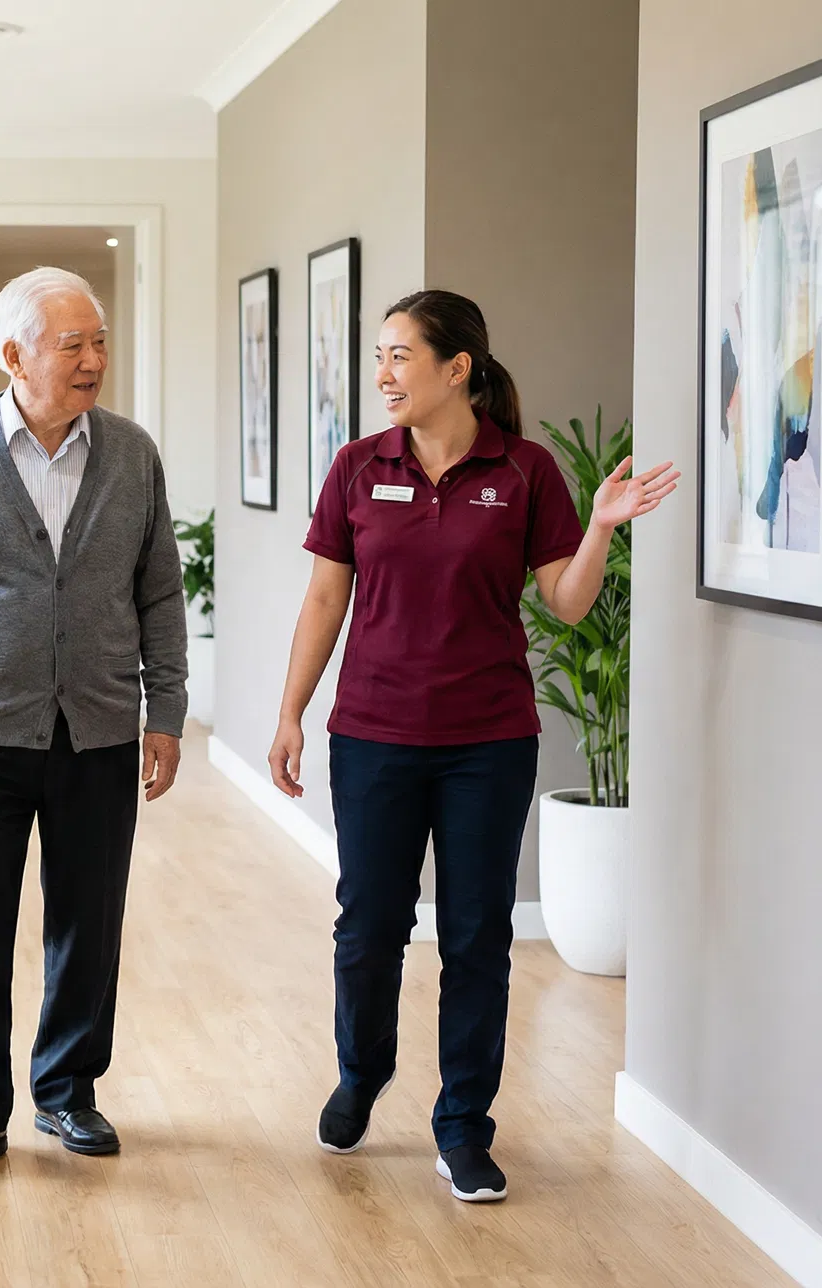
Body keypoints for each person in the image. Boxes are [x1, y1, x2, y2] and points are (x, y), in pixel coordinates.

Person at [267, 290, 678, 1203]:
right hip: (372, 733)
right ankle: (361, 1076)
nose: (383, 374)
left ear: (458, 368)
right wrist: (292, 712)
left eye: (399, 356)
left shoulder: (524, 470)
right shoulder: (355, 467)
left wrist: (602, 526)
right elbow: (325, 601)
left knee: (478, 937)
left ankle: (462, 1124)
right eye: (378, 357)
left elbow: (565, 603)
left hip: (487, 743)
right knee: (369, 929)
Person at [0, 267, 189, 1178]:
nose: (95, 358)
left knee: (89, 921)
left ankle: (68, 1092)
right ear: (13, 355)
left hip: (98, 729)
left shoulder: (132, 454)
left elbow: (160, 591)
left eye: (99, 341)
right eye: (74, 344)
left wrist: (164, 709)